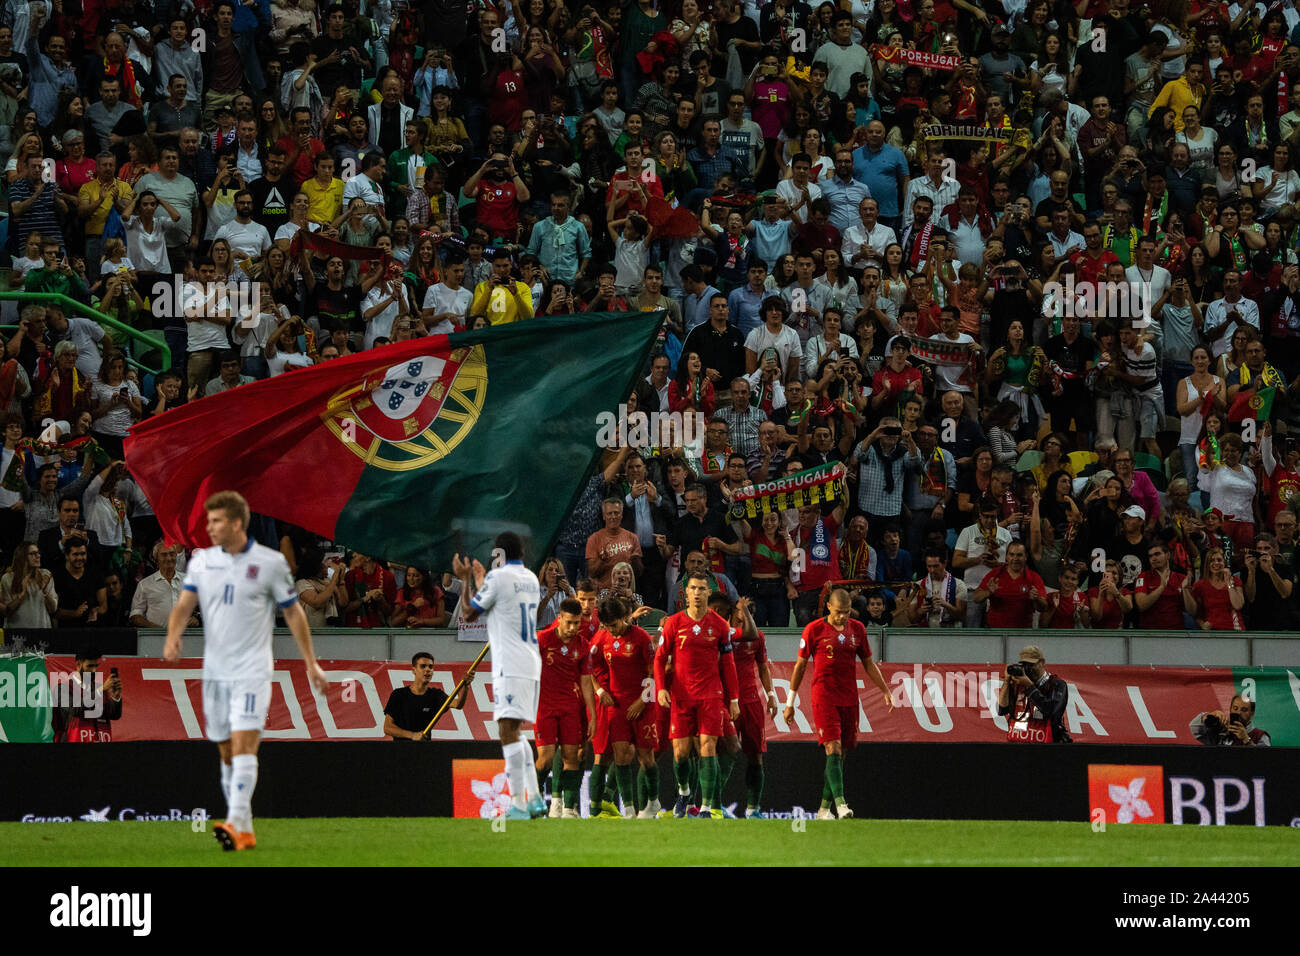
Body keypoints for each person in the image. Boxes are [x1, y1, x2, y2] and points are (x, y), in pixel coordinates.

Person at [163, 490, 329, 851]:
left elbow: (294, 612)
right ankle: (245, 826)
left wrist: (310, 661)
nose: (209, 528)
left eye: (216, 521)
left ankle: (235, 822)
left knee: (243, 745)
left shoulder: (269, 563)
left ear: (237, 523)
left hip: (252, 669)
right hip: (215, 672)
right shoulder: (202, 562)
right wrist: (174, 635)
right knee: (226, 751)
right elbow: (184, 603)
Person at [453, 532, 546, 820]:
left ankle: (518, 804)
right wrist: (483, 583)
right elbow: (502, 603)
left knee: (506, 732)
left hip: (510, 665)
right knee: (517, 732)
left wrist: (466, 580)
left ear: (500, 554)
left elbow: (468, 612)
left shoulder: (498, 579)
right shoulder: (530, 578)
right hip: (531, 663)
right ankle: (535, 800)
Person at [782, 588, 895, 820]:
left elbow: (868, 664)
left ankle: (824, 809)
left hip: (849, 696)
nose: (842, 617)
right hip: (824, 695)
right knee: (832, 747)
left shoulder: (858, 629)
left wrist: (885, 689)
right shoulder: (813, 630)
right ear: (829, 607)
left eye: (846, 612)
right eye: (838, 612)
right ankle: (842, 804)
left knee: (840, 754)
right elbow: (800, 666)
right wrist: (790, 702)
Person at [655, 569, 740, 819]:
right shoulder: (673, 623)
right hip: (681, 696)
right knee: (680, 754)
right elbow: (660, 659)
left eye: (702, 589)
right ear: (685, 593)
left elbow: (729, 665)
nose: (697, 593)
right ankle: (683, 793)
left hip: (710, 695)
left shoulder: (719, 625)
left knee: (708, 747)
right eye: (693, 589)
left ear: (708, 592)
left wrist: (733, 699)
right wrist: (661, 687)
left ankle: (706, 806)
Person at [588, 595, 658, 818]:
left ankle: (653, 802)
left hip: (642, 704)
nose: (612, 630)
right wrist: (600, 690)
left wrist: (642, 699)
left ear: (624, 618)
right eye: (607, 626)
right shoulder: (602, 637)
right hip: (617, 705)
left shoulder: (641, 637)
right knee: (620, 755)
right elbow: (587, 665)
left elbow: (652, 671)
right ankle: (628, 808)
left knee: (645, 756)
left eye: (615, 625)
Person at [534, 598, 595, 818]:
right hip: (545, 707)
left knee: (572, 757)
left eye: (576, 623)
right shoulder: (542, 640)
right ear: (559, 618)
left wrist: (593, 716)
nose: (572, 628)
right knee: (546, 759)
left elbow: (587, 682)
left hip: (570, 707)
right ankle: (533, 801)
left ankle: (569, 809)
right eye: (568, 622)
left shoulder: (583, 646)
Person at [382, 652, 472, 741]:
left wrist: (465, 686)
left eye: (430, 666)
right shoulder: (398, 695)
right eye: (423, 666)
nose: (428, 669)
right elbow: (388, 728)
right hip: (400, 751)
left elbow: (458, 704)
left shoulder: (436, 695)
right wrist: (412, 735)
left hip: (425, 751)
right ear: (413, 670)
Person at [996, 645, 1071, 743]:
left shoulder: (1057, 684)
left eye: (1031, 665)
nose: (1028, 669)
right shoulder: (1018, 684)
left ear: (1042, 663)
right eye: (1025, 665)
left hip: (1045, 747)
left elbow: (1052, 711)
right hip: (1018, 743)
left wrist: (1029, 686)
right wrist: (1006, 682)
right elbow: (1001, 710)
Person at [51, 647, 122, 743]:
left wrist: (116, 697)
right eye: (90, 666)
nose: (94, 670)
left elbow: (113, 715)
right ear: (78, 664)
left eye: (96, 666)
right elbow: (74, 710)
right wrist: (100, 690)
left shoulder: (100, 689)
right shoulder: (62, 689)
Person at [129, 542, 189, 628]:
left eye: (172, 554)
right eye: (164, 555)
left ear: (176, 556)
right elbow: (135, 615)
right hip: (156, 638)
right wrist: (155, 629)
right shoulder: (145, 584)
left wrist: (196, 618)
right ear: (156, 559)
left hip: (187, 637)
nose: (169, 558)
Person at [1189, 694, 1270, 746]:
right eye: (1235, 708)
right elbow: (1193, 728)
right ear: (1230, 709)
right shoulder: (1221, 731)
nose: (1238, 712)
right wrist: (1208, 716)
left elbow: (1265, 762)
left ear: (1252, 713)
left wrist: (1246, 739)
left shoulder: (1260, 736)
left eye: (1244, 710)